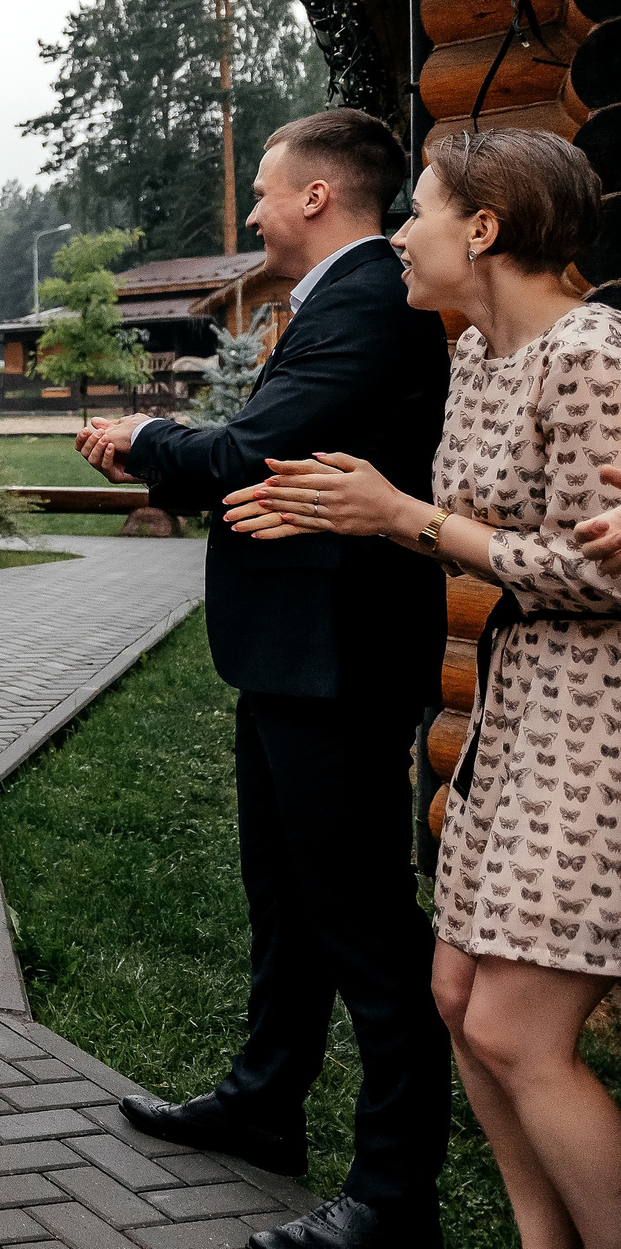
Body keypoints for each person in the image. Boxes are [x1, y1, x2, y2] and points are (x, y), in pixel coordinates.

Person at [218, 129, 615, 1249]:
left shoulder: (588, 355)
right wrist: (351, 509)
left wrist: (403, 519)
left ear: (481, 231)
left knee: (518, 1033)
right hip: (508, 702)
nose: (398, 232)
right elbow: (465, 527)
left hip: (592, 715)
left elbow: (592, 569)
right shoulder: (476, 358)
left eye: (420, 214)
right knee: (456, 1002)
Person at [77, 108, 449, 1249]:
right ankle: (265, 1104)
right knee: (283, 901)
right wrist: (178, 452)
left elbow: (255, 454)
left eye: (263, 192)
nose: (247, 212)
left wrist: (149, 440)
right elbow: (259, 455)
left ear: (316, 199)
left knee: (366, 931)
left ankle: (392, 1197)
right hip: (291, 649)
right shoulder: (335, 299)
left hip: (338, 656)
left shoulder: (370, 301)